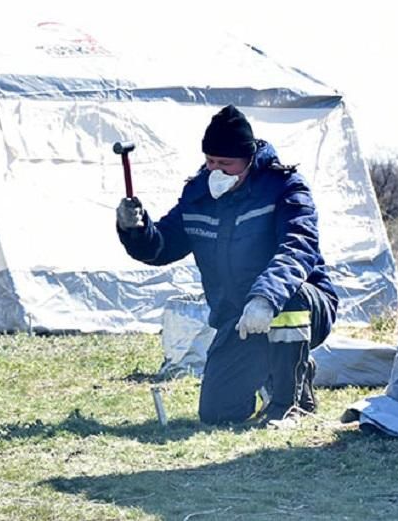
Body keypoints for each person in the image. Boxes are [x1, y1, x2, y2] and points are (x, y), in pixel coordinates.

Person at [116, 105, 338, 426]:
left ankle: (289, 403)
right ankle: (280, 369)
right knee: (217, 413)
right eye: (210, 162)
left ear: (248, 160)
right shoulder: (197, 194)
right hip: (237, 317)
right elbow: (163, 247)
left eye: (225, 164)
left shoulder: (285, 187)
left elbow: (298, 249)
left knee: (288, 300)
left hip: (301, 304)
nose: (215, 171)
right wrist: (135, 230)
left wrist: (265, 298)